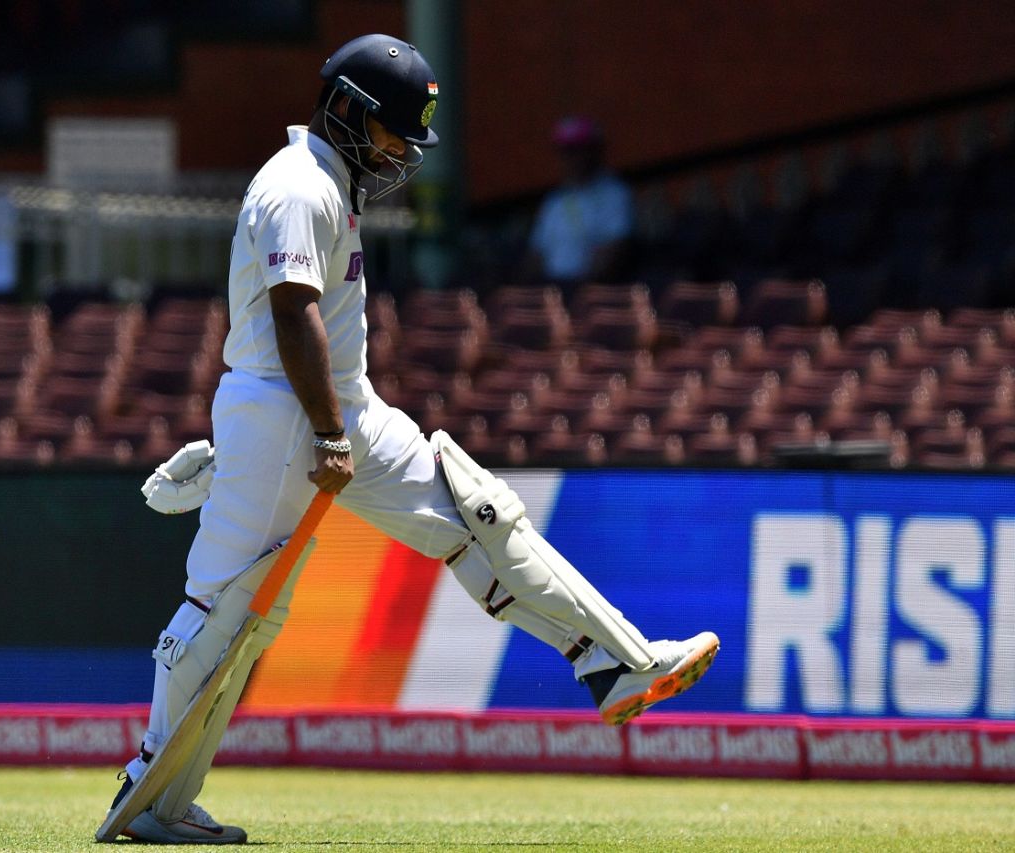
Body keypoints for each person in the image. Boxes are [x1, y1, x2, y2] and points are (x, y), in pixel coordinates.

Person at [106, 34, 718, 844]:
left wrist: (334, 421)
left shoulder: (329, 181)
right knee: (231, 610)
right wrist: (324, 432)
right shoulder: (296, 185)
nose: (400, 151)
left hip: (338, 407)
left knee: (480, 514)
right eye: (394, 131)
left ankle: (616, 663)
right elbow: (293, 313)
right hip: (296, 412)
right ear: (350, 111)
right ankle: (149, 793)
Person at [524, 115, 634, 286]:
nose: (571, 158)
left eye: (578, 149)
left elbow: (611, 254)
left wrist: (580, 291)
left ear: (595, 150)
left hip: (588, 294)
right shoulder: (554, 201)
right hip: (551, 294)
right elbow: (536, 255)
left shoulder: (614, 195)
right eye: (566, 150)